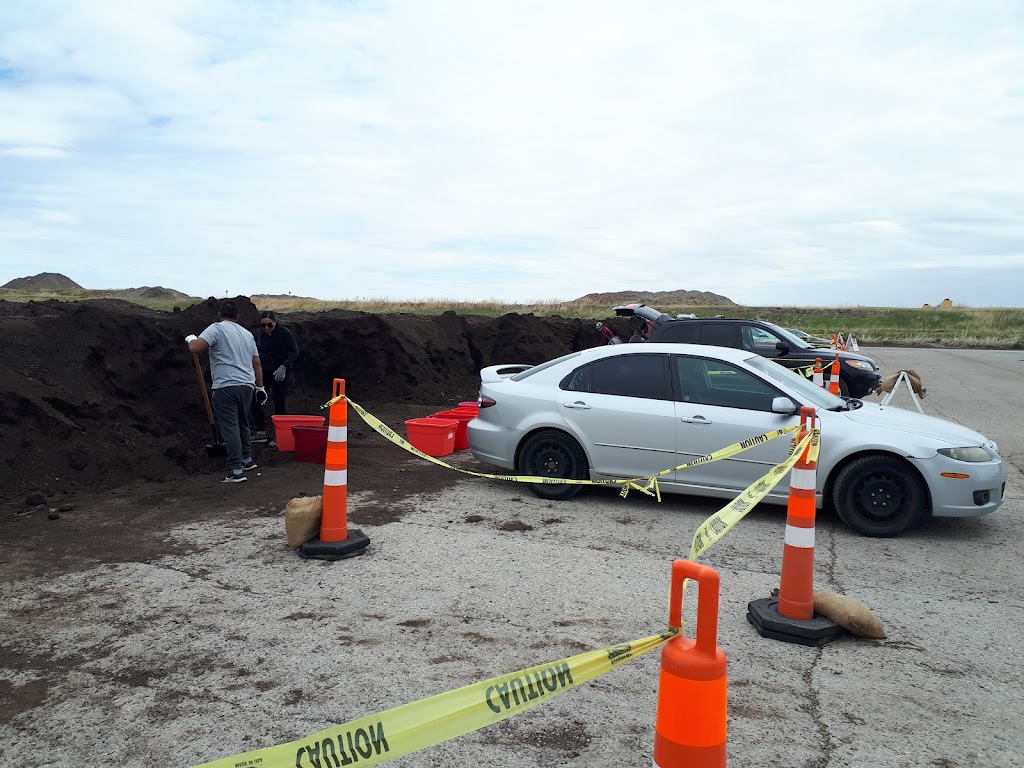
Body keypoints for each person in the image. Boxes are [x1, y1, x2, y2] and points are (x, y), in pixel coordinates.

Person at [186, 301, 267, 483]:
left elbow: (195, 348)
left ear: (219, 315)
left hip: (226, 386)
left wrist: (191, 339)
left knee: (230, 426)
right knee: (242, 422)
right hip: (247, 385)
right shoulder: (247, 334)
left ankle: (236, 470)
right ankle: (247, 460)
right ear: (237, 317)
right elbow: (257, 363)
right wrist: (260, 387)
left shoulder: (216, 329)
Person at [249, 310, 300, 444]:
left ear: (275, 323)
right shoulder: (258, 335)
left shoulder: (285, 333)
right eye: (263, 325)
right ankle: (260, 432)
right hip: (263, 371)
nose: (266, 328)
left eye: (270, 325)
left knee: (279, 400)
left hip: (279, 372)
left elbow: (295, 351)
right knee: (256, 398)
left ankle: (280, 435)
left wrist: (284, 366)